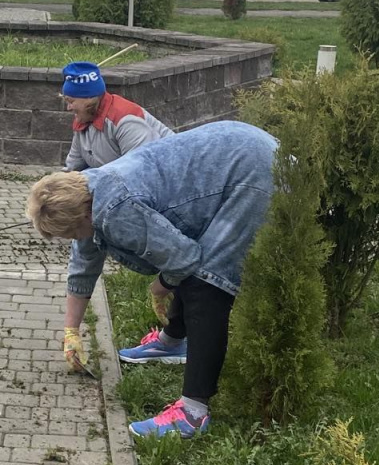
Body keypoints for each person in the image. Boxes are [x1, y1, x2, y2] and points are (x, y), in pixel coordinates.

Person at [27, 120, 278, 439]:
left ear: (83, 217)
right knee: (194, 272)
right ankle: (173, 342)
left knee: (207, 282)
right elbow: (84, 262)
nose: (75, 239)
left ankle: (193, 414)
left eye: (71, 233)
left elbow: (183, 258)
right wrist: (71, 331)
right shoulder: (86, 190)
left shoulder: (115, 208)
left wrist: (160, 287)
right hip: (238, 153)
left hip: (252, 171)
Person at [59, 61, 175, 372]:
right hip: (118, 197)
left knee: (177, 260)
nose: (67, 105)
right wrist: (57, 197)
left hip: (167, 201)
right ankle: (71, 334)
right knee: (84, 241)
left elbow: (147, 173)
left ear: (89, 98)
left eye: (70, 99)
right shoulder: (82, 124)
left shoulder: (125, 121)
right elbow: (73, 170)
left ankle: (176, 331)